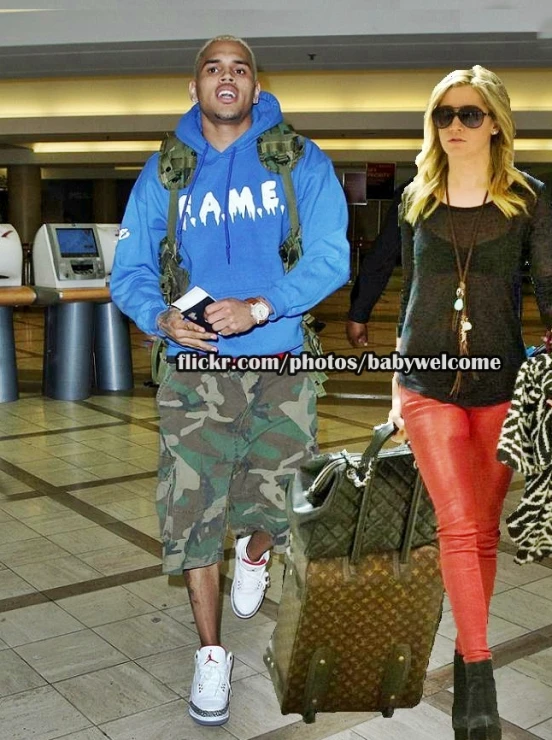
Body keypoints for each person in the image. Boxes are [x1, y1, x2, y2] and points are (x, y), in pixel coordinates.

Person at [110, 35, 349, 727]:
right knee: (191, 512)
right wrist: (161, 318)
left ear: (254, 84)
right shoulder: (166, 172)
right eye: (213, 68)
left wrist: (262, 307)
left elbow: (332, 255)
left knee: (276, 496)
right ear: (195, 87)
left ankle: (256, 550)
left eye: (239, 69)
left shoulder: (298, 160)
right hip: (196, 374)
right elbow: (127, 271)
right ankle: (211, 654)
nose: (226, 78)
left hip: (280, 363)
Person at [388, 65, 552, 740]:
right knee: (457, 525)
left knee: (483, 531)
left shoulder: (529, 200)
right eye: (443, 115)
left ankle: (467, 645)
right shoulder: (415, 199)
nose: (454, 126)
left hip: (502, 387)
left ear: (496, 123)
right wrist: (396, 386)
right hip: (427, 386)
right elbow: (412, 294)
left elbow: (548, 283)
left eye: (469, 114)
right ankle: (477, 681)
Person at [346, 180, 410, 347]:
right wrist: (359, 312)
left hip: (428, 312)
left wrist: (358, 314)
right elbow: (382, 255)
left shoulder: (415, 190)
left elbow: (383, 255)